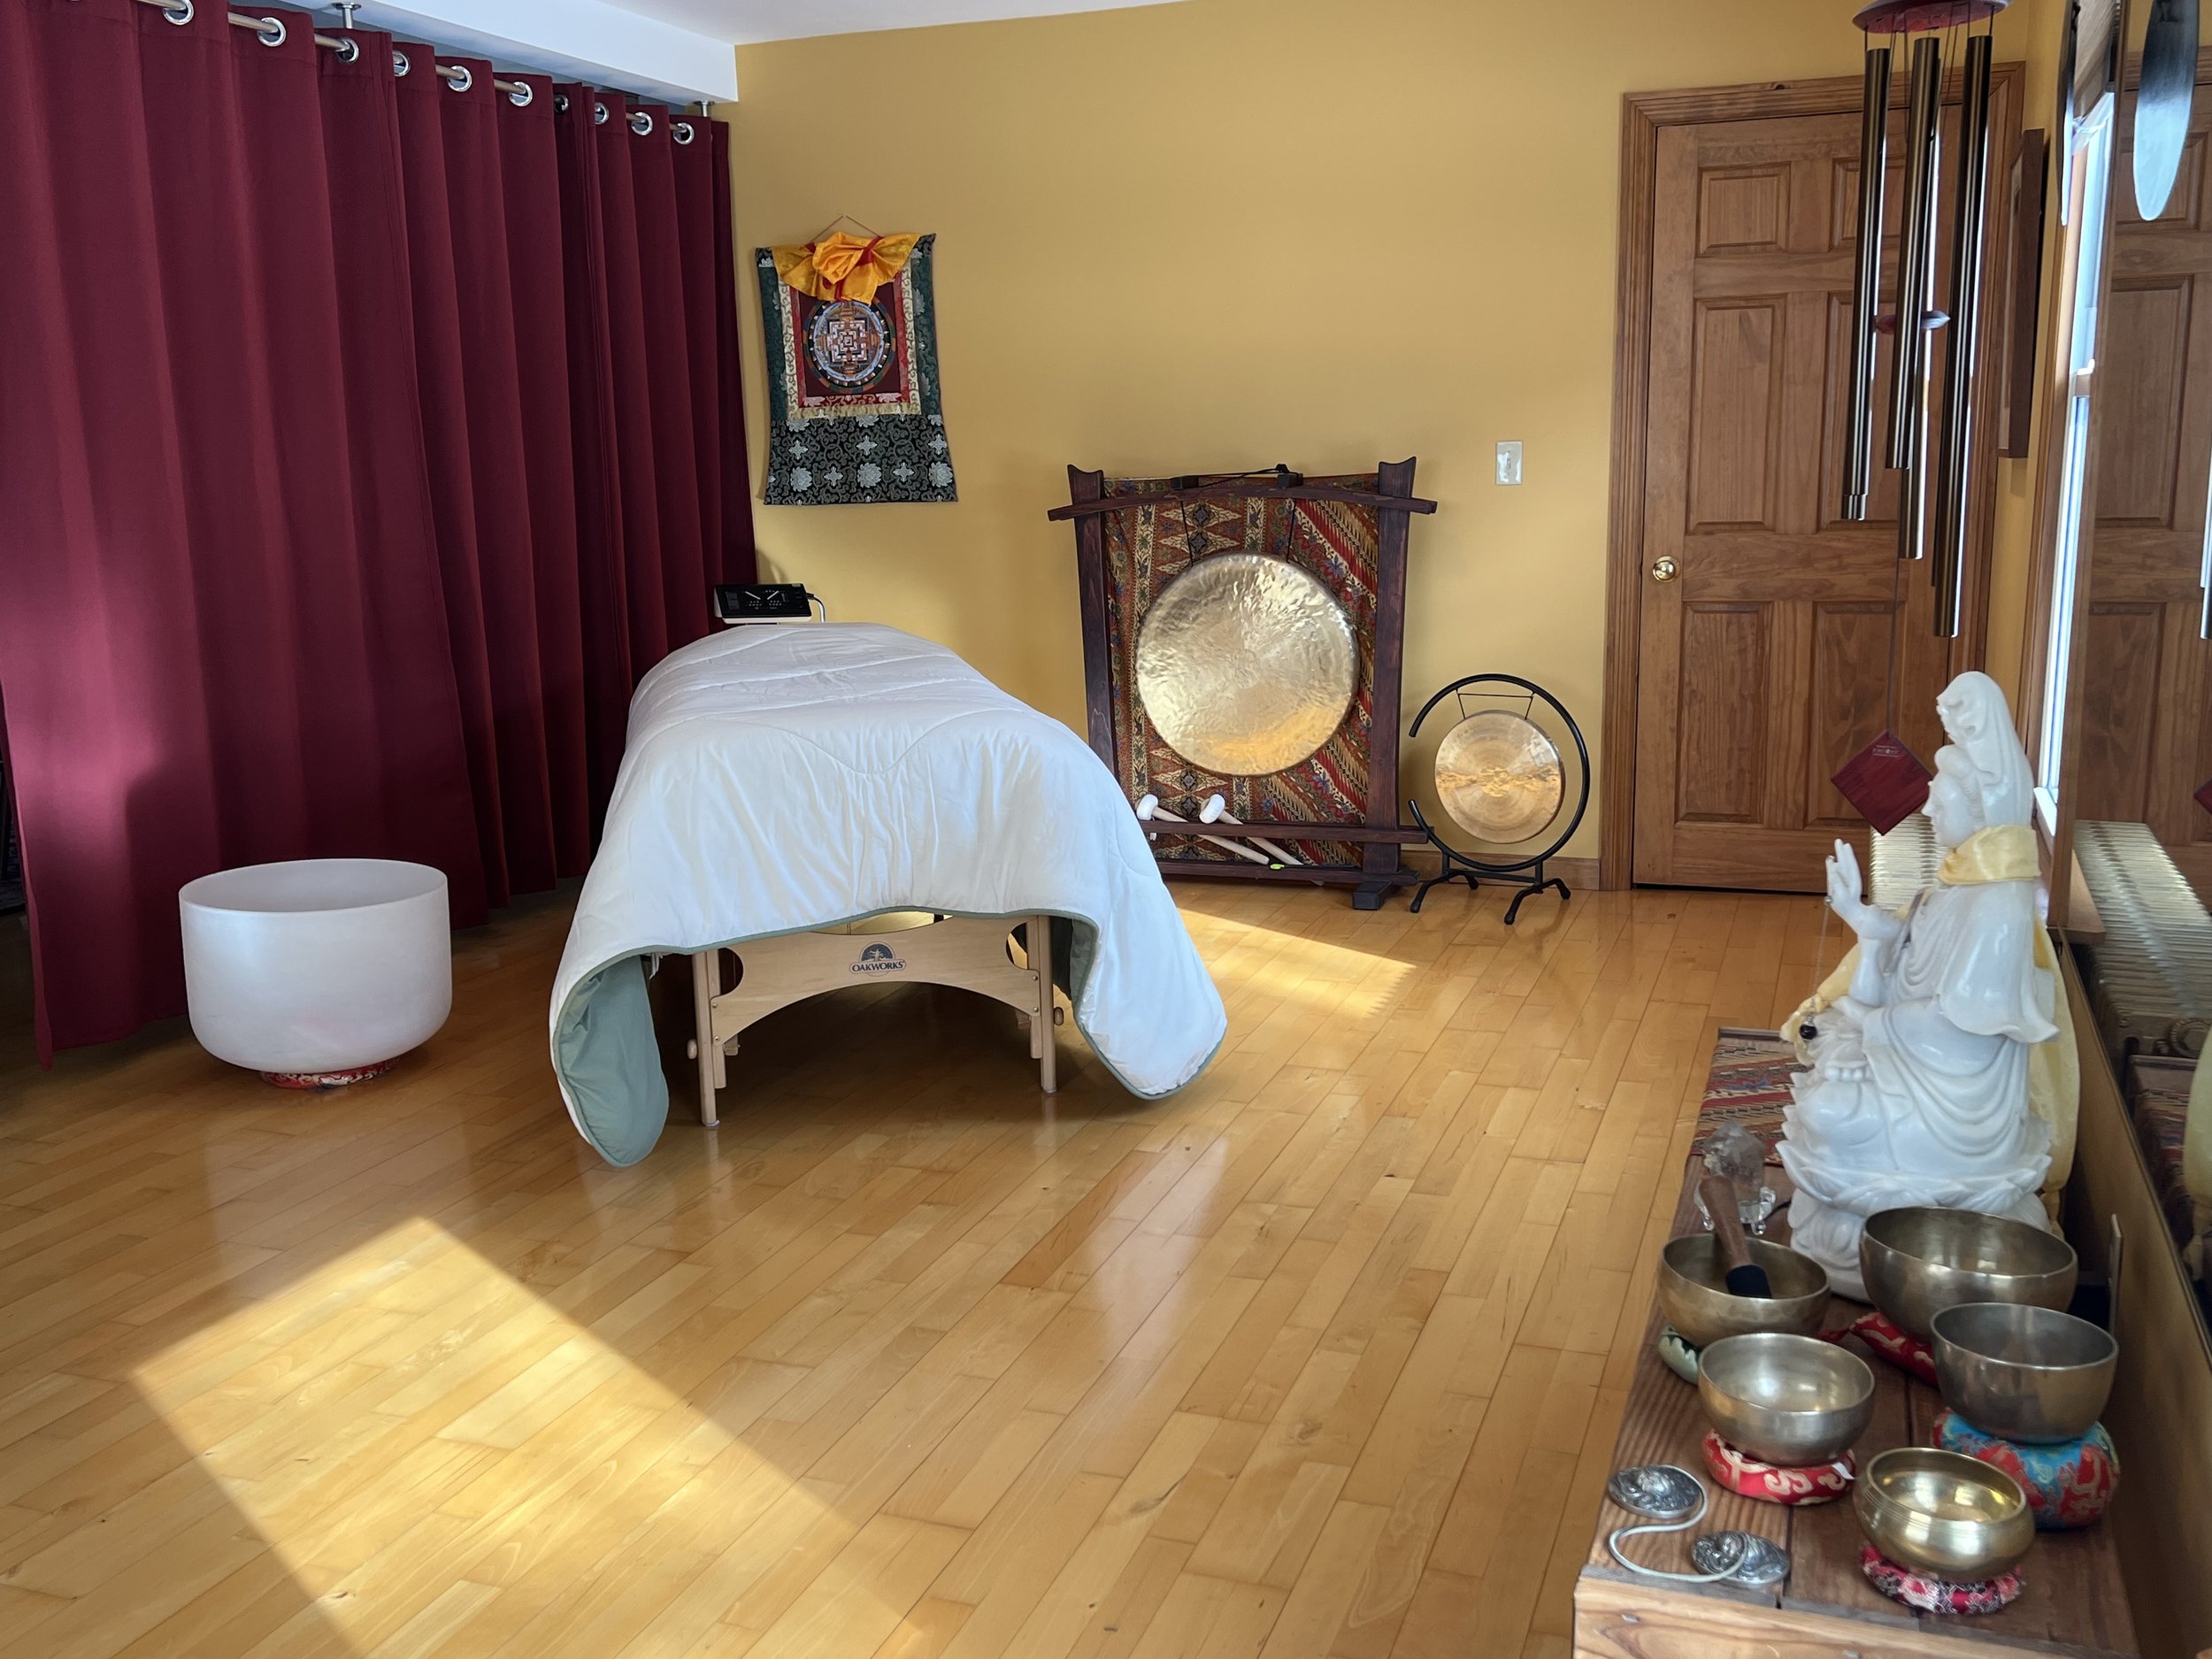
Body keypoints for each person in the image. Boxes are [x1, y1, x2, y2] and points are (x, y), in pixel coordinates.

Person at [1778, 672, 2061, 1300]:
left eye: (1943, 798)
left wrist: (1869, 1025)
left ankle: (1873, 1231)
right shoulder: (1958, 882)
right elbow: (1903, 982)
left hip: (1951, 1105)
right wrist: (1868, 929)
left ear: (1982, 807)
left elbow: (1960, 1035)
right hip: (1914, 1072)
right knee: (1825, 1071)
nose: (1928, 809)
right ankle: (1862, 1224)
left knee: (1828, 1111)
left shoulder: (2000, 904)